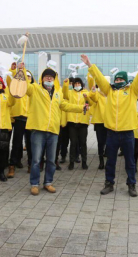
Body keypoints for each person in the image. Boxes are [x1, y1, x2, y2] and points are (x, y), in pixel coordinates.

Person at [81, 50, 138, 197]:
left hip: (128, 132)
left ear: (126, 80)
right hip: (112, 133)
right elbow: (100, 78)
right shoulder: (109, 91)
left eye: (120, 80)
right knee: (110, 160)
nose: (118, 82)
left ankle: (131, 184)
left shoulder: (132, 91)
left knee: (130, 161)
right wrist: (89, 65)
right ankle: (109, 183)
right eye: (116, 80)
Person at [20, 63, 85, 195]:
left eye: (51, 77)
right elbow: (25, 85)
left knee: (51, 160)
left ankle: (48, 182)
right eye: (46, 77)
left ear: (54, 79)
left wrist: (81, 108)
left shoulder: (58, 93)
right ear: (42, 78)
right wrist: (22, 70)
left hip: (53, 131)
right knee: (37, 160)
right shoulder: (35, 89)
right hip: (38, 130)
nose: (49, 79)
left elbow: (65, 106)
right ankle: (34, 184)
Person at [8, 69, 35, 176]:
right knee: (16, 143)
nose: (27, 78)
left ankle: (30, 164)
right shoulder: (17, 88)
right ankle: (12, 165)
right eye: (25, 76)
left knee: (30, 144)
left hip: (30, 119)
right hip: (19, 118)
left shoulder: (34, 89)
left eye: (29, 76)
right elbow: (11, 80)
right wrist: (15, 70)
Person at [63, 77, 90, 170]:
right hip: (72, 122)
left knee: (83, 143)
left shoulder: (86, 93)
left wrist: (88, 98)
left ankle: (84, 161)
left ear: (82, 84)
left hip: (83, 122)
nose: (77, 85)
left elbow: (91, 103)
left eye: (79, 84)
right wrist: (66, 84)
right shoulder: (70, 93)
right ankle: (71, 162)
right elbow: (64, 93)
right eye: (75, 84)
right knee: (73, 143)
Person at [87, 83, 108, 170]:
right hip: (99, 122)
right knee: (100, 142)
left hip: (109, 123)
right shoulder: (98, 95)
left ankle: (108, 161)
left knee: (109, 142)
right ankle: (101, 161)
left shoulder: (111, 95)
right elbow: (93, 98)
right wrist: (93, 91)